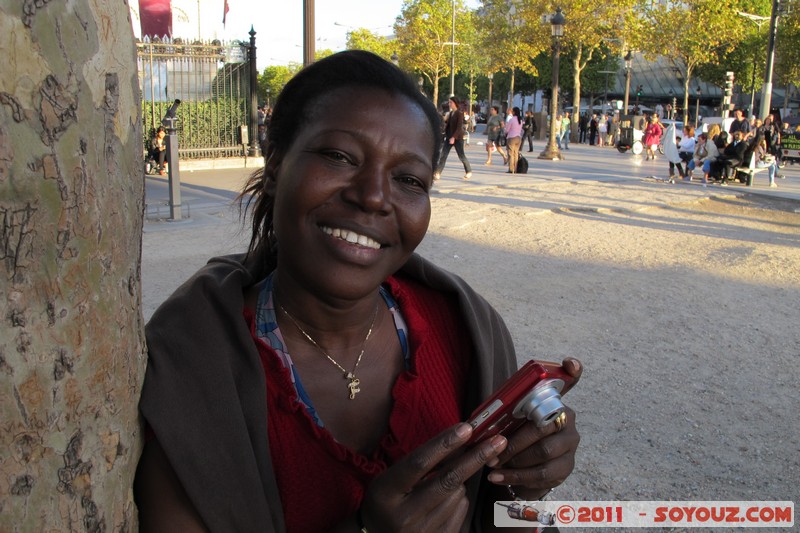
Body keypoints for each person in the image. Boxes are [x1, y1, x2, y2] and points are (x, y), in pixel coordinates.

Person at [134, 50, 582, 533]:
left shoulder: (464, 329)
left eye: (408, 180)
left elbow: (505, 518)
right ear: (276, 160)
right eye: (339, 156)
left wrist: (522, 482)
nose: (372, 196)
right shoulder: (195, 366)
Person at [433, 96, 472, 180]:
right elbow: (448, 126)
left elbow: (459, 128)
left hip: (458, 138)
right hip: (449, 137)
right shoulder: (451, 113)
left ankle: (468, 171)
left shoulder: (459, 113)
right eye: (449, 102)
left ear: (455, 103)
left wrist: (454, 137)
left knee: (461, 156)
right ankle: (438, 173)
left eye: (451, 102)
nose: (449, 104)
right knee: (443, 155)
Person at [504, 106, 524, 174]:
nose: (511, 112)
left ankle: (511, 169)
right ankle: (515, 168)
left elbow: (507, 129)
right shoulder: (520, 120)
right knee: (516, 154)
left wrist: (505, 132)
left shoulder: (512, 119)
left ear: (514, 112)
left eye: (512, 111)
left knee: (510, 154)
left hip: (511, 137)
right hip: (518, 138)